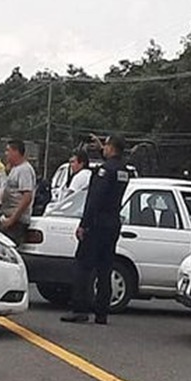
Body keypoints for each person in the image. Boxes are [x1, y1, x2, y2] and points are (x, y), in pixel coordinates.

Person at [62, 134, 131, 325]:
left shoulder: (103, 171)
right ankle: (102, 312)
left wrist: (84, 224)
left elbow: (94, 200)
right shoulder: (123, 171)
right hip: (112, 224)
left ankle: (80, 309)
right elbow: (112, 164)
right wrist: (101, 148)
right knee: (105, 268)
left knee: (83, 266)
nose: (104, 149)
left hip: (97, 224)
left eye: (106, 145)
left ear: (112, 147)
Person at [0, 140, 36, 243]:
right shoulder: (15, 169)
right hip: (6, 213)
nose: (6, 153)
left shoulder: (24, 170)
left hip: (16, 220)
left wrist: (12, 219)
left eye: (8, 150)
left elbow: (27, 198)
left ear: (16, 152)